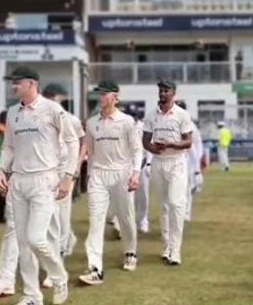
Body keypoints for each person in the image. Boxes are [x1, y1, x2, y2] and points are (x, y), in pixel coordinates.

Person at [0, 67, 79, 305]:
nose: (13, 86)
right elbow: (9, 146)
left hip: (45, 181)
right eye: (12, 83)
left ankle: (58, 275)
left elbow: (73, 142)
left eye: (17, 82)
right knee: (22, 243)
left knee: (35, 238)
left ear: (32, 83)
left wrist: (67, 177)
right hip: (19, 182)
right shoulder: (13, 113)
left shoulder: (52, 109)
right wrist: (2, 170)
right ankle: (32, 296)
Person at [79, 81, 142, 286]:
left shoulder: (126, 122)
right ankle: (95, 267)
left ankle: (130, 252)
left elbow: (136, 150)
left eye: (105, 94)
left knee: (126, 218)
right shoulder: (91, 123)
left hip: (121, 174)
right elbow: (89, 150)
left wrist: (135, 173)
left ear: (115, 97)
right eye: (99, 94)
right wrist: (89, 174)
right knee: (96, 221)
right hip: (98, 175)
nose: (101, 97)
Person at [142, 79, 193, 265]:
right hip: (158, 162)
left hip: (176, 162)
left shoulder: (181, 115)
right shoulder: (151, 115)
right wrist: (154, 149)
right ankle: (166, 248)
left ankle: (175, 250)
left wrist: (171, 144)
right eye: (161, 90)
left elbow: (188, 141)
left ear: (174, 93)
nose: (163, 94)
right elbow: (145, 140)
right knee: (163, 206)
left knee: (176, 204)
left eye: (166, 91)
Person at [41, 83, 87, 259]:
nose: (51, 100)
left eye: (54, 96)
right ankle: (67, 239)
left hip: (65, 172)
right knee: (48, 213)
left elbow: (83, 141)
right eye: (48, 96)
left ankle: (58, 254)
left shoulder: (70, 119)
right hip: (45, 171)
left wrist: (76, 166)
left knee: (61, 212)